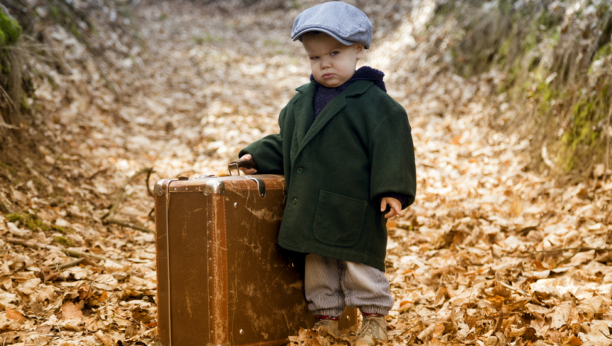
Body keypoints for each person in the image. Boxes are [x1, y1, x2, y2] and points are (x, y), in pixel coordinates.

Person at [237, 2, 416, 345]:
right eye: (315, 57)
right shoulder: (301, 102)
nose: (325, 64)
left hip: (355, 205)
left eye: (334, 53)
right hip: (311, 206)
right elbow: (290, 142)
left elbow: (392, 146)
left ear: (358, 50)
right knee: (318, 269)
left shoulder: (374, 104)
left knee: (359, 265)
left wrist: (392, 189)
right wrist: (257, 155)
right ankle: (326, 321)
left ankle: (374, 321)